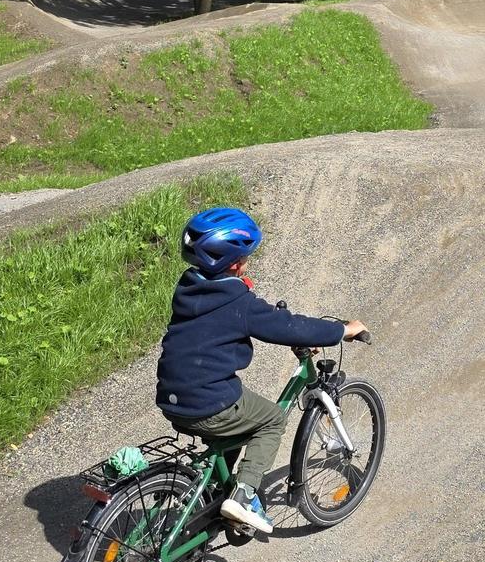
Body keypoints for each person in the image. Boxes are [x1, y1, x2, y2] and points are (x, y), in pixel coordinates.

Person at [155, 206, 368, 534]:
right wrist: (341, 331)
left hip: (172, 396)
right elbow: (286, 325)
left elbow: (229, 324)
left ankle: (213, 494)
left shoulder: (189, 289)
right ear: (235, 263)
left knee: (235, 426)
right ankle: (243, 495)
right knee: (270, 419)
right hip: (209, 401)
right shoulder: (238, 302)